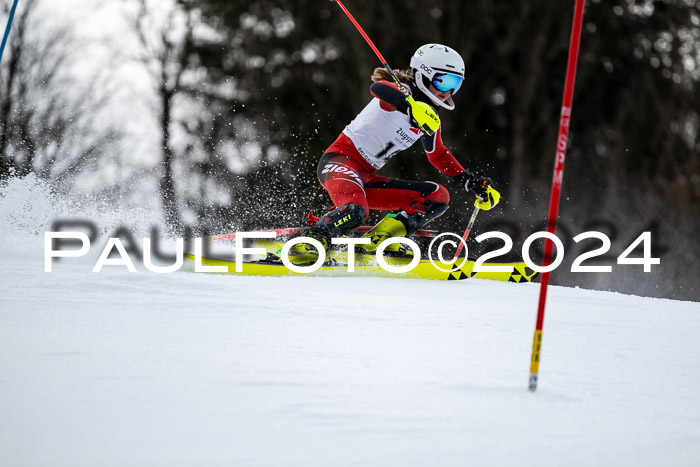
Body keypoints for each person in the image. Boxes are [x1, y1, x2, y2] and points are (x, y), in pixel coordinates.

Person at [288, 43, 501, 265]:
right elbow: (379, 89)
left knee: (438, 196)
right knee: (356, 211)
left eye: (455, 84)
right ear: (423, 75)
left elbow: (437, 155)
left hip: (367, 178)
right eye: (444, 81)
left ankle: (378, 241)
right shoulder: (403, 93)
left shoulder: (430, 119)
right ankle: (310, 241)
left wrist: (471, 182)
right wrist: (408, 106)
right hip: (339, 163)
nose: (447, 91)